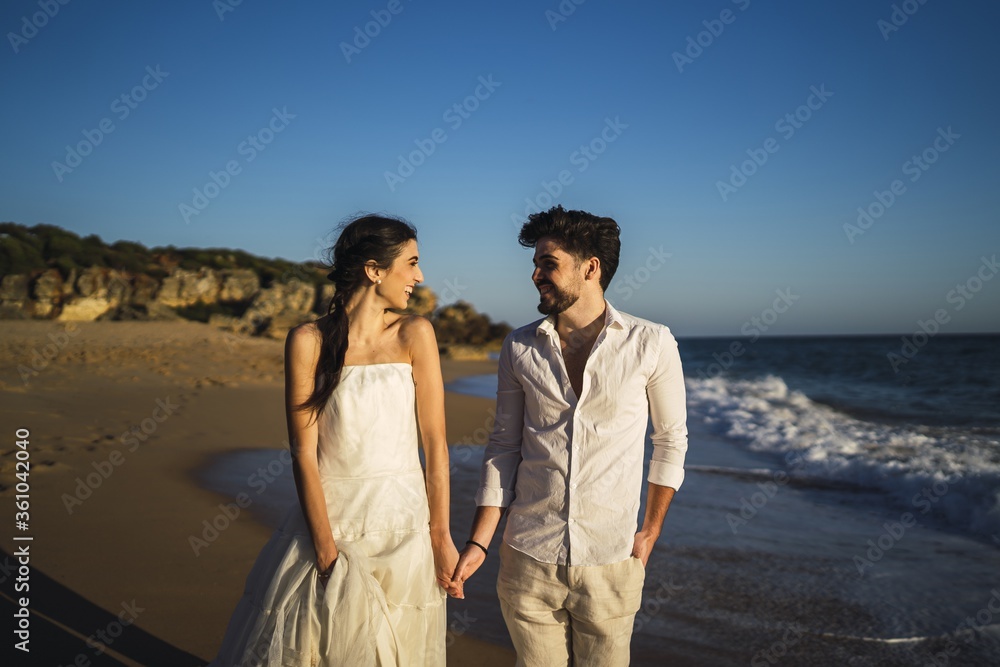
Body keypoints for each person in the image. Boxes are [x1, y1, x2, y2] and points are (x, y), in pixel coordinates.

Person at [210, 214, 459, 666]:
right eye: (412, 263)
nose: (420, 277)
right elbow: (303, 454)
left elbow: (436, 445)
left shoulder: (414, 333)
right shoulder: (307, 340)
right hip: (331, 527)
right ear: (374, 269)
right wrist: (325, 553)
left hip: (405, 528)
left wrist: (440, 537)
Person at [450, 205, 689, 666]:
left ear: (590, 268)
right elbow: (503, 446)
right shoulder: (520, 346)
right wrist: (480, 540)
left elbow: (671, 440)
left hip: (612, 558)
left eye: (548, 263)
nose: (536, 274)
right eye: (536, 265)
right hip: (527, 556)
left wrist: (650, 532)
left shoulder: (651, 342)